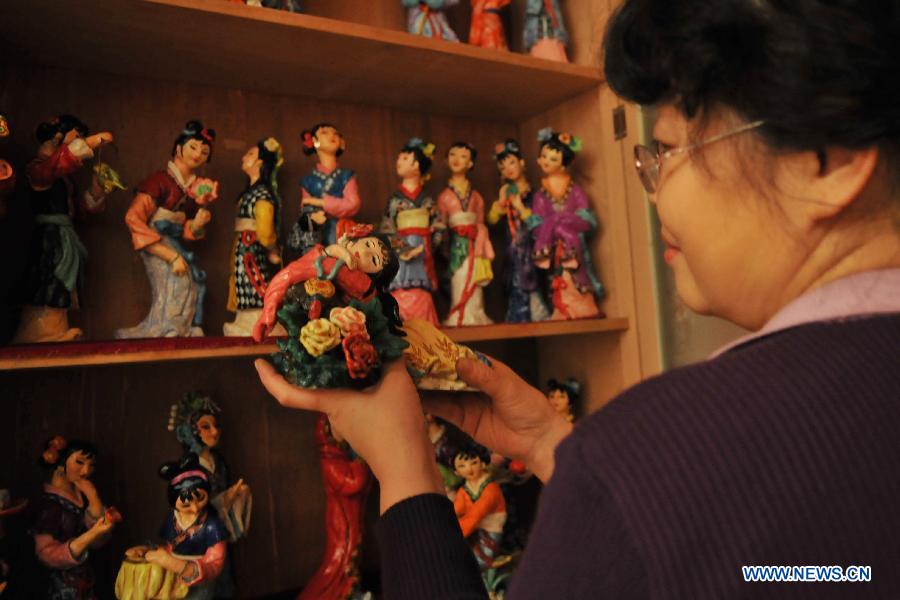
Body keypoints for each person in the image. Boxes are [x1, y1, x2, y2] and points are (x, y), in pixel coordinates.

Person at [255, 0, 900, 597]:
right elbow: (814, 569)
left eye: (672, 150)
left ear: (828, 161)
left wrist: (404, 471)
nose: (655, 192)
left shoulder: (662, 445)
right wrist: (553, 449)